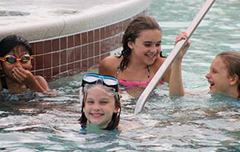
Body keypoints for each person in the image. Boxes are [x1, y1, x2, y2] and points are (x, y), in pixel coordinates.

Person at [99, 15, 190, 97]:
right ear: (131, 44)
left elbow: (176, 98)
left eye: (158, 44)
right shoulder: (109, 65)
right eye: (147, 44)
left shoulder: (163, 67)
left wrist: (178, 59)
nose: (154, 50)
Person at [170, 51, 240, 100]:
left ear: (233, 79)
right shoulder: (212, 91)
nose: (207, 75)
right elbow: (177, 96)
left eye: (214, 72)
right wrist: (178, 59)